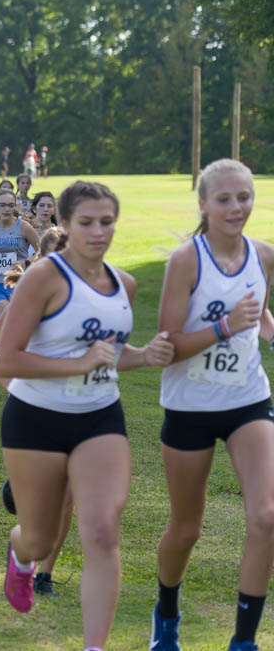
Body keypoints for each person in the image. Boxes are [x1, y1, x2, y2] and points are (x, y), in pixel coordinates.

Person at [0, 180, 173, 649]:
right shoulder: (44, 277)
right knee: (40, 537)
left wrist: (144, 355)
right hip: (36, 417)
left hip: (99, 416)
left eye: (107, 222)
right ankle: (20, 552)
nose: (99, 232)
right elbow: (5, 357)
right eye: (87, 223)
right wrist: (77, 363)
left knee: (101, 530)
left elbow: (109, 355)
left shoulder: (124, 283)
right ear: (66, 225)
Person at [150, 159, 274, 651]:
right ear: (203, 204)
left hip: (248, 397)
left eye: (243, 197)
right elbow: (168, 346)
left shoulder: (264, 255)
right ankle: (166, 613)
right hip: (190, 405)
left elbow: (260, 315)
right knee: (186, 528)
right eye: (223, 199)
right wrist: (225, 326)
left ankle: (243, 641)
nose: (235, 207)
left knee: (266, 517)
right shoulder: (187, 261)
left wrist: (265, 326)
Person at [0, 227, 73, 597]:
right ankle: (25, 543)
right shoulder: (24, 304)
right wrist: (14, 388)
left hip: (75, 407)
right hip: (32, 409)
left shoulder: (87, 302)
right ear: (40, 261)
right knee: (42, 498)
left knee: (69, 494)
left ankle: (44, 574)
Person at [0, 188, 41, 320]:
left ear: (15, 206)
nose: (6, 209)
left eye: (10, 205)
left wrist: (27, 262)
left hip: (19, 284)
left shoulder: (23, 227)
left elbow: (42, 251)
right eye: (2, 205)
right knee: (8, 323)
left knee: (17, 329)